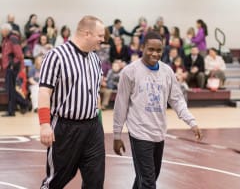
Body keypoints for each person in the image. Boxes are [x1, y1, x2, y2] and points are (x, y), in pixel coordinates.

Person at [113, 31, 203, 189]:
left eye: (159, 50)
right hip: (139, 133)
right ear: (142, 47)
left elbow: (176, 99)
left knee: (147, 177)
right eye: (150, 49)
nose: (155, 53)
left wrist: (191, 121)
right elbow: (121, 104)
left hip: (159, 133)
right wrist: (117, 134)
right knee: (148, 183)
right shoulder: (129, 72)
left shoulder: (167, 71)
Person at [38, 15, 105, 189]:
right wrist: (45, 124)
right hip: (65, 127)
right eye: (100, 35)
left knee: (95, 181)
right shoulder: (56, 56)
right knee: (57, 180)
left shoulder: (95, 59)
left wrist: (99, 121)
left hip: (93, 128)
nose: (103, 40)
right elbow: (44, 91)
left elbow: (95, 92)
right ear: (87, 33)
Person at [1, 23, 24, 117]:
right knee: (10, 89)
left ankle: (17, 108)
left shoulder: (13, 38)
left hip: (11, 67)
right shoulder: (6, 39)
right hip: (8, 67)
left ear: (6, 30)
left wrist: (12, 65)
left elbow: (19, 54)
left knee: (10, 89)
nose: (1, 32)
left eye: (2, 30)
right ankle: (16, 108)